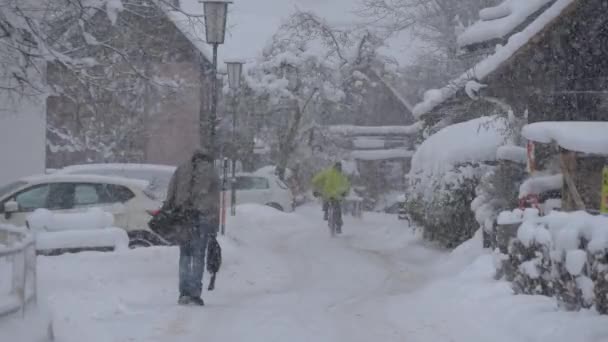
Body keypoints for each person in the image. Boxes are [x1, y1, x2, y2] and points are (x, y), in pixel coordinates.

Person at [163, 148, 220, 306]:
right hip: (201, 219)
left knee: (185, 255)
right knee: (198, 256)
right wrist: (214, 227)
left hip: (183, 219)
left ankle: (183, 292)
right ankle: (195, 293)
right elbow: (215, 202)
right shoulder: (211, 172)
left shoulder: (181, 169)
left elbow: (171, 193)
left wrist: (169, 211)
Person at [311, 162, 350, 233]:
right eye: (338, 167)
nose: (339, 168)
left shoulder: (331, 172)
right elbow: (347, 185)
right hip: (334, 195)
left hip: (330, 195)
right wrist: (345, 193)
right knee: (336, 209)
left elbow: (315, 180)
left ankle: (328, 215)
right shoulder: (340, 174)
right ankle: (337, 224)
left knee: (333, 206)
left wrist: (315, 190)